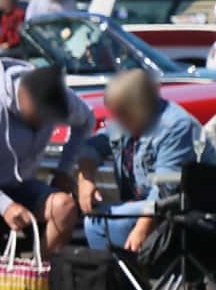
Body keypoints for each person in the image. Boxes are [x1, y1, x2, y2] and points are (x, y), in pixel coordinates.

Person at [0, 60, 95, 276]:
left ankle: (40, 284)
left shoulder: (57, 96)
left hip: (19, 182)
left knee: (65, 207)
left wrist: (64, 169)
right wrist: (5, 205)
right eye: (42, 116)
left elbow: (87, 119)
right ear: (25, 97)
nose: (45, 123)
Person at [79, 70, 200, 252]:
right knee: (98, 216)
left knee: (97, 224)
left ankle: (115, 277)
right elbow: (92, 147)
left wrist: (142, 229)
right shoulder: (126, 122)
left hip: (181, 210)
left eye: (121, 113)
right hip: (146, 205)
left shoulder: (175, 127)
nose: (116, 120)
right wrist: (85, 179)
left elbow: (165, 191)